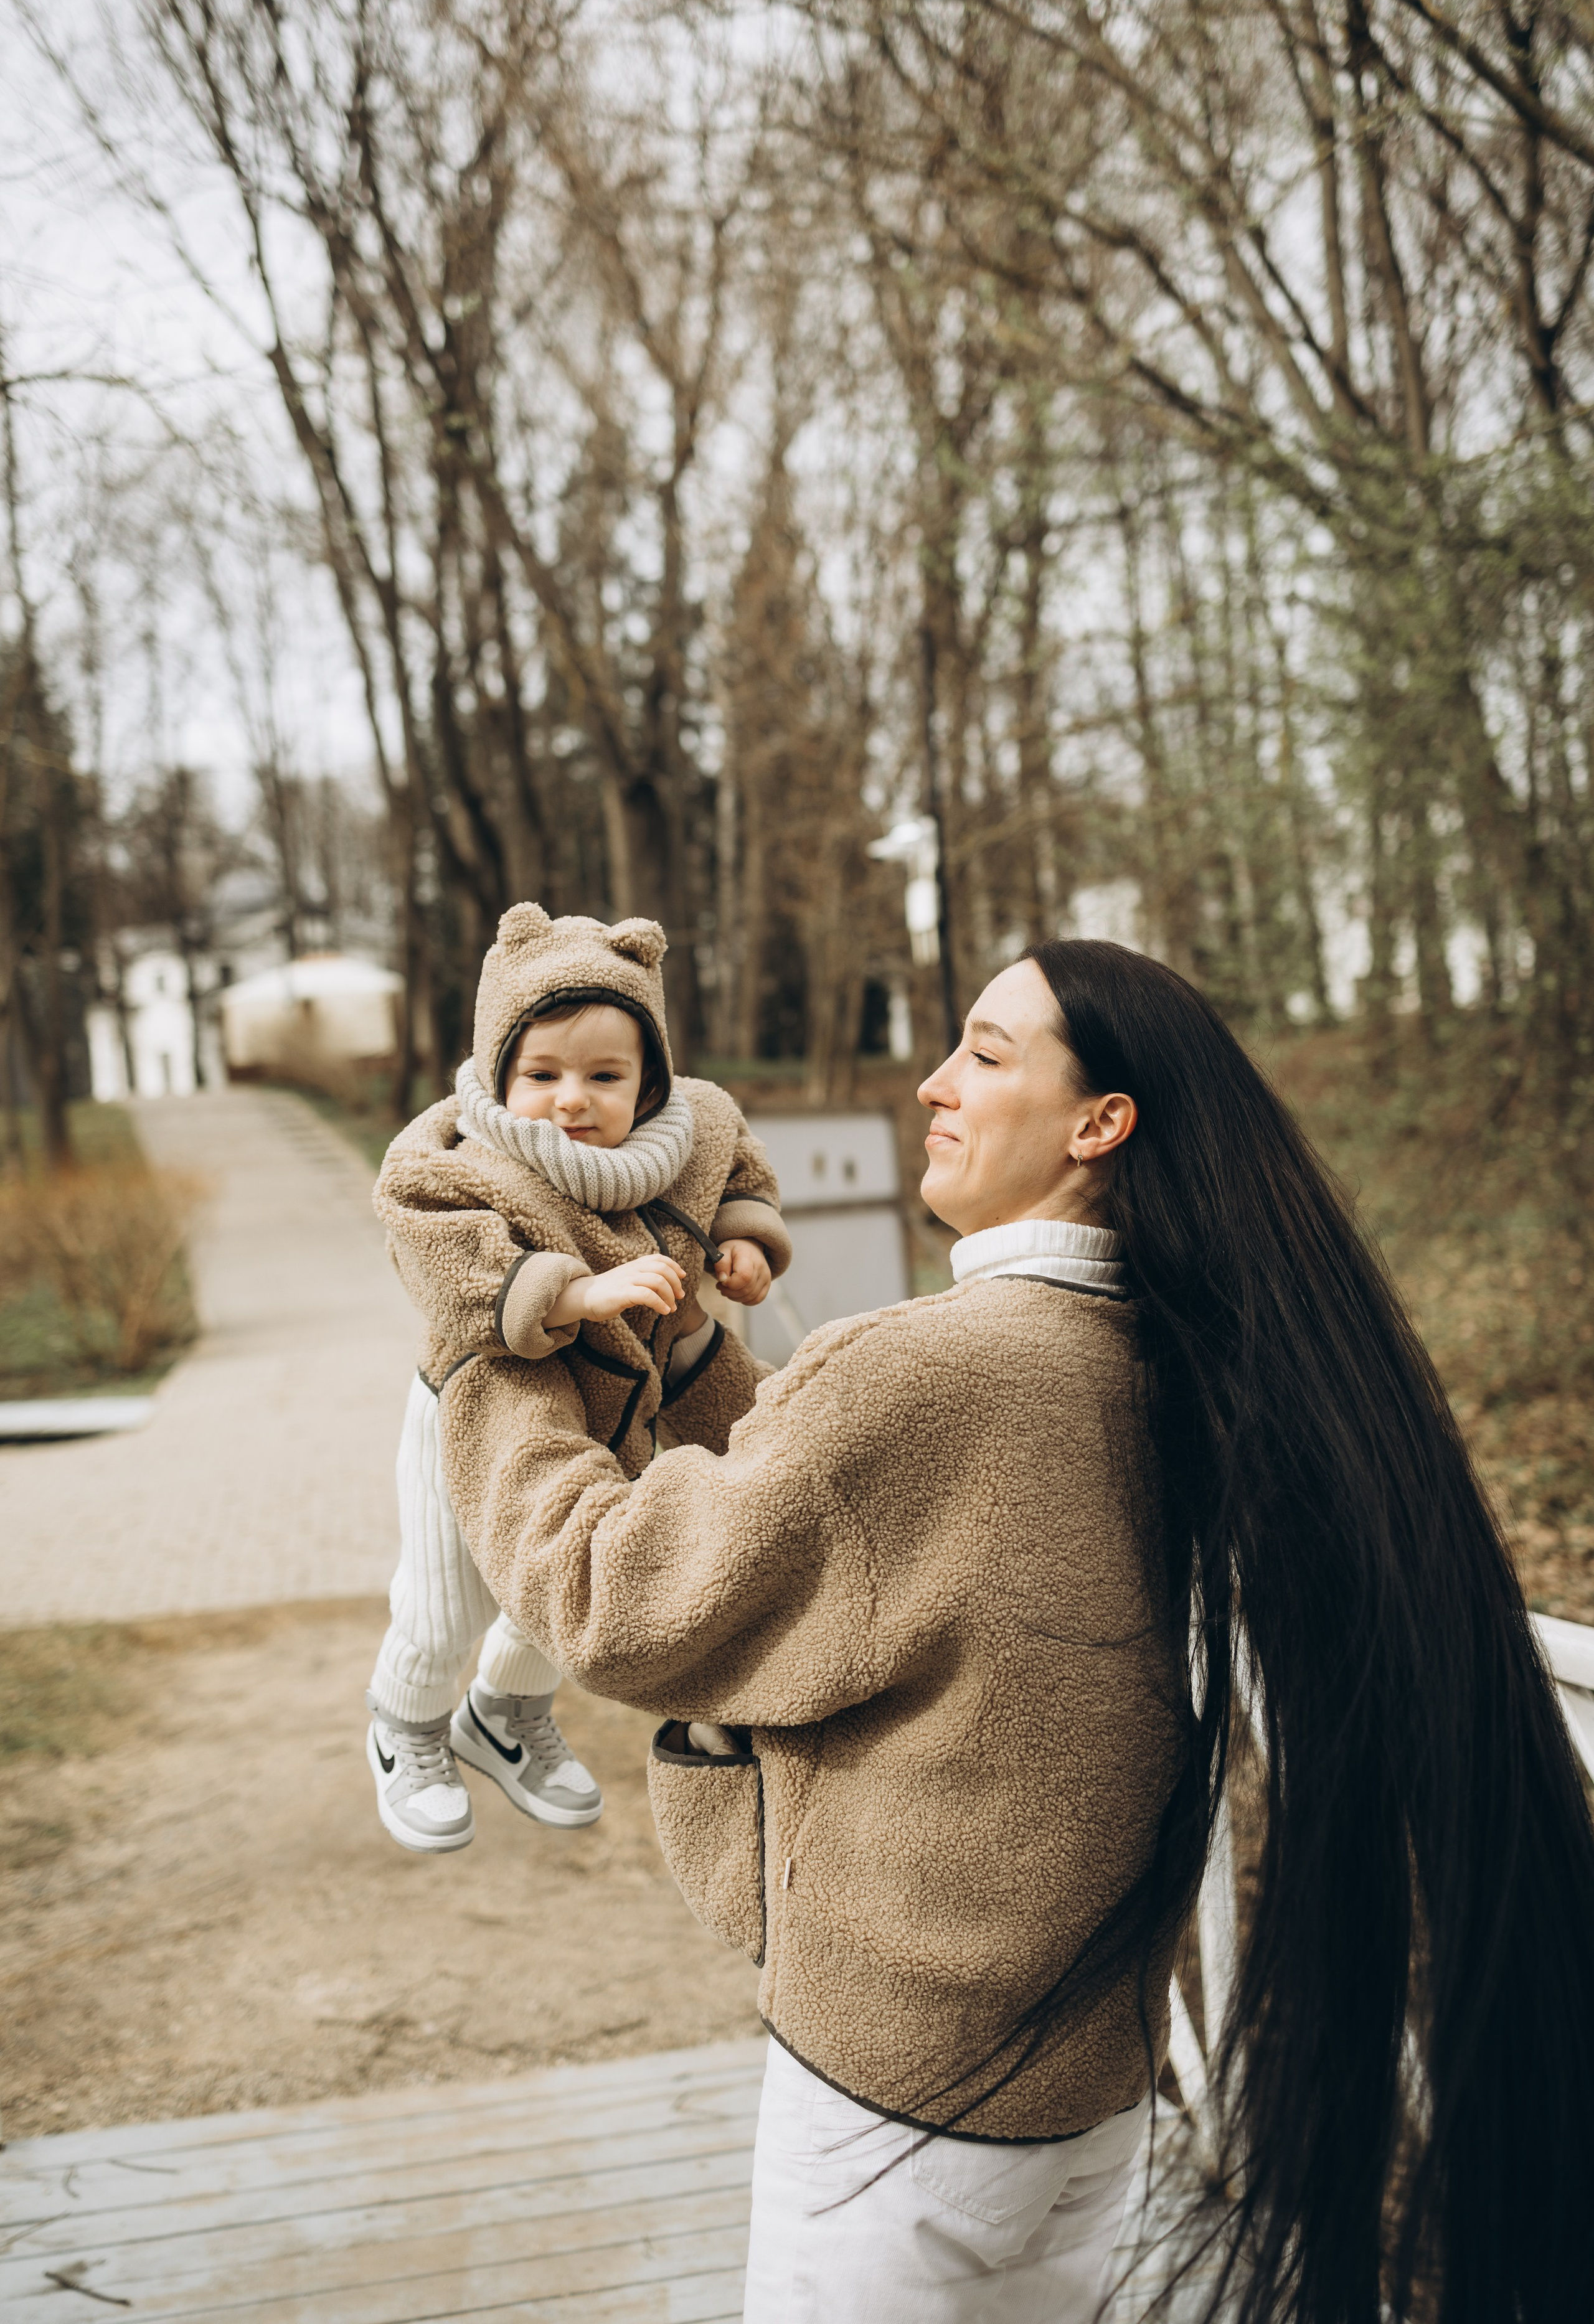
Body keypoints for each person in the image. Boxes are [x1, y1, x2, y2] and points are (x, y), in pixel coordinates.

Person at [418, 939, 1594, 2323]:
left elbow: (607, 1599)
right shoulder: (1175, 1357)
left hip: (901, 2108)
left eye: (983, 1054)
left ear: (1098, 1125)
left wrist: (487, 1356)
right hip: (1088, 2089)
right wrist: (674, 1357)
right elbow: (832, 1507)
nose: (932, 1084)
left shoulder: (935, 1371)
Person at [361, 901, 790, 1854]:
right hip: (477, 1409)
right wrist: (579, 1291)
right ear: (500, 1073)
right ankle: (406, 1724)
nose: (572, 1100)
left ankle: (503, 1716)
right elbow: (444, 1261)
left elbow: (739, 1177)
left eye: (605, 1076)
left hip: (609, 1412)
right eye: (542, 1074)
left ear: (649, 1082)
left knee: (560, 1580)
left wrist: (745, 1246)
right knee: (449, 1603)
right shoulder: (463, 1165)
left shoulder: (690, 1135)